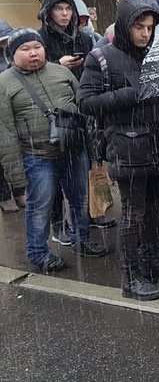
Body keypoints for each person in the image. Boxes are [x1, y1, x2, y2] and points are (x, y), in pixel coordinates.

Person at [78, 0, 159, 300]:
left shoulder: (156, 55)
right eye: (139, 27)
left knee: (156, 208)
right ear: (126, 26)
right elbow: (86, 103)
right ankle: (130, 278)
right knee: (133, 212)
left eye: (150, 27)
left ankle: (154, 263)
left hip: (158, 145)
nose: (145, 33)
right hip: (127, 149)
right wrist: (129, 94)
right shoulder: (101, 57)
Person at [0, 28, 108, 272]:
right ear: (12, 54)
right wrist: (16, 176)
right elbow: (4, 133)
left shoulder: (62, 72)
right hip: (36, 157)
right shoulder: (4, 84)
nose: (33, 53)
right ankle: (39, 254)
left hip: (73, 150)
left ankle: (83, 240)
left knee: (80, 200)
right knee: (40, 207)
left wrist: (93, 149)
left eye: (37, 47)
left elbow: (84, 110)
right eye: (25, 49)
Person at [36, 0, 100, 243]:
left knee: (81, 174)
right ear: (48, 12)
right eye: (59, 9)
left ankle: (85, 223)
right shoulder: (39, 39)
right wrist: (57, 65)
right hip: (51, 116)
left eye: (68, 9)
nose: (64, 14)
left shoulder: (83, 39)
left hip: (79, 111)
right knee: (54, 179)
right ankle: (58, 225)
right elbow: (33, 75)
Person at [0, 19, 23, 214]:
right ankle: (4, 195)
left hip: (12, 105)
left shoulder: (12, 52)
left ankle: (19, 190)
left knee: (15, 151)